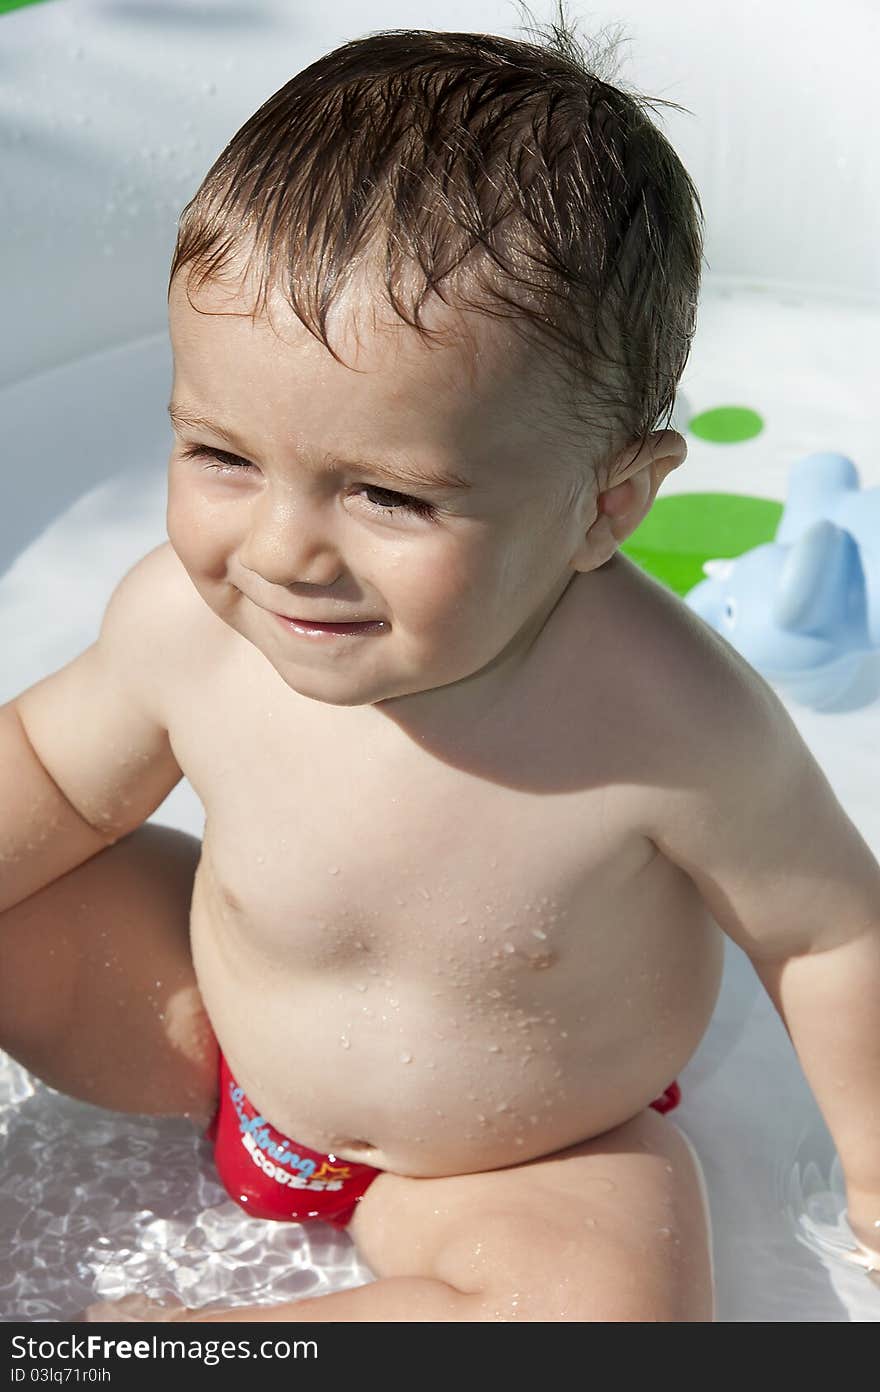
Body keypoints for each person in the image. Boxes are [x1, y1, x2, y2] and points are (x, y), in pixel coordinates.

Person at [2, 10, 878, 1322]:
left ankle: (195, 1344)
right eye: (223, 456)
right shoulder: (187, 625)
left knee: (602, 1319)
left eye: (391, 498)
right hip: (199, 1033)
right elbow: (49, 782)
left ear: (607, 504)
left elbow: (828, 932)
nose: (285, 550)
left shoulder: (664, 723)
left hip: (526, 1155)